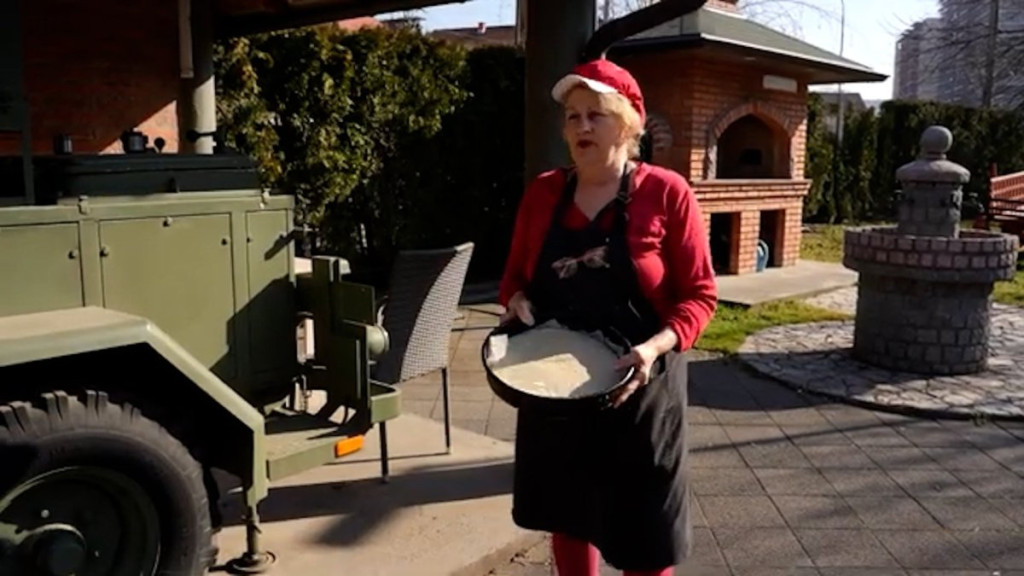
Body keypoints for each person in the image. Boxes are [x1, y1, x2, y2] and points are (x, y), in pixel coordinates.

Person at [497, 57, 718, 576]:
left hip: (640, 390)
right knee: (569, 517)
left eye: (595, 114)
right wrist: (516, 302)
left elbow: (700, 296)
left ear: (627, 124)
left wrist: (655, 347)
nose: (582, 126)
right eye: (572, 116)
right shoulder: (544, 192)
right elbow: (513, 280)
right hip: (557, 391)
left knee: (645, 539)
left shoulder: (667, 192)